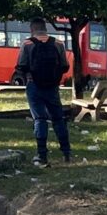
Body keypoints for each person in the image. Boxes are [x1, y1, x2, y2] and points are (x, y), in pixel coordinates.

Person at [15, 18, 72, 167]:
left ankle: (42, 154)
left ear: (32, 29)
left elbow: (21, 65)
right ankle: (66, 152)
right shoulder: (58, 43)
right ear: (45, 28)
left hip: (34, 85)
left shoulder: (27, 44)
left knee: (40, 119)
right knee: (58, 119)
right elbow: (65, 66)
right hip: (52, 87)